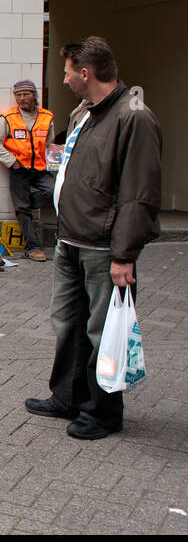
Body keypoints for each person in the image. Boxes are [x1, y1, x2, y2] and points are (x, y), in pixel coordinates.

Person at [25, 37, 162, 440]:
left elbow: (139, 194)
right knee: (68, 322)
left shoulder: (134, 117)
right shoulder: (85, 111)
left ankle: (103, 413)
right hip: (70, 240)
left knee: (102, 330)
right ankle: (67, 397)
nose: (63, 79)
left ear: (85, 74)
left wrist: (124, 254)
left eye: (67, 72)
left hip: (104, 249)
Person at [0, 79, 54, 261]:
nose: (22, 98)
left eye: (26, 94)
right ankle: (32, 248)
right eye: (18, 95)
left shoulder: (47, 117)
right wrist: (12, 162)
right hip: (19, 169)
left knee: (50, 191)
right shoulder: (9, 118)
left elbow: (48, 142)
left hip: (40, 168)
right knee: (23, 210)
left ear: (34, 95)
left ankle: (23, 206)